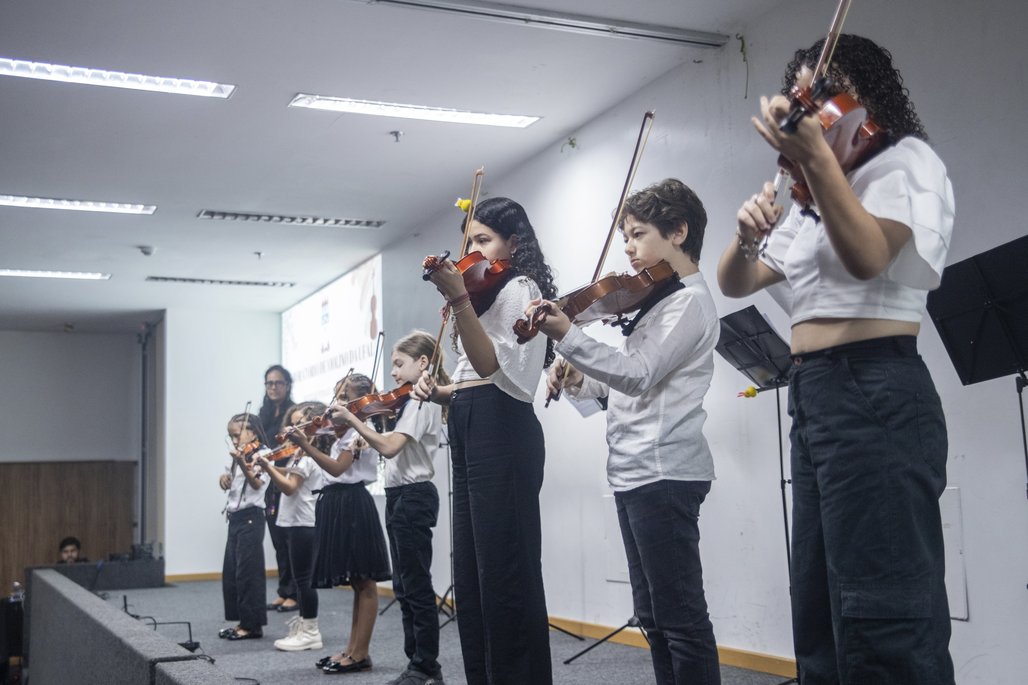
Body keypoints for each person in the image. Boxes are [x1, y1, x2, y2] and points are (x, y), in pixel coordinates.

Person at [716, 34, 955, 684]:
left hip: (875, 385)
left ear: (868, 91)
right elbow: (736, 282)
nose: (809, 104)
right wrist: (745, 237)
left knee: (886, 615)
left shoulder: (905, 162)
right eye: (801, 91)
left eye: (824, 88)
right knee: (820, 608)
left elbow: (870, 256)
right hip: (814, 392)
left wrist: (817, 163)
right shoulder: (809, 192)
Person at [527, 179, 721, 684]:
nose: (629, 250)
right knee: (655, 620)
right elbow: (625, 390)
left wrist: (568, 336)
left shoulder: (688, 303)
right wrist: (579, 377)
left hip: (665, 472)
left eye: (637, 235)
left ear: (678, 231)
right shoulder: (656, 302)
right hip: (635, 473)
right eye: (626, 238)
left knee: (680, 621)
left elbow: (637, 374)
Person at [415, 196, 557, 685]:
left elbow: (492, 368)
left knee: (505, 569)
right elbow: (468, 377)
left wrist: (458, 299)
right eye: (468, 242)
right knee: (473, 573)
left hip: (504, 426)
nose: (472, 252)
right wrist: (440, 391)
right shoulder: (483, 292)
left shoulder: (521, 286)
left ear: (513, 243)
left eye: (483, 240)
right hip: (471, 416)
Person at [331, 331, 449, 685]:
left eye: (399, 364)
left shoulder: (422, 402)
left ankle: (426, 666)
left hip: (414, 496)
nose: (394, 373)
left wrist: (354, 420)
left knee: (416, 586)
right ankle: (417, 664)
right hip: (400, 495)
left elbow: (391, 448)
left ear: (423, 363)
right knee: (404, 586)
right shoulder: (406, 403)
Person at [292, 373, 391, 675]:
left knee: (365, 580)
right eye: (337, 396)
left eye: (345, 397)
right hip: (338, 503)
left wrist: (306, 446)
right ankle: (352, 649)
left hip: (353, 503)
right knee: (357, 583)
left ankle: (360, 654)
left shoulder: (361, 430)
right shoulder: (343, 432)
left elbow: (338, 469)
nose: (338, 403)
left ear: (362, 401)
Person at [255, 401, 328, 652]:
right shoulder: (300, 454)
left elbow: (289, 487)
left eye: (299, 424)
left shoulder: (308, 457)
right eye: (293, 423)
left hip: (304, 522)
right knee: (300, 578)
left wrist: (267, 467)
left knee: (303, 581)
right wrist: (271, 465)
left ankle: (310, 631)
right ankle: (305, 626)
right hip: (296, 521)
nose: (293, 429)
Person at [217, 413, 271, 641]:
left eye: (237, 435)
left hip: (252, 517)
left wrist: (241, 462)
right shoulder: (239, 456)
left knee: (249, 573)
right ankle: (241, 621)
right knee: (232, 572)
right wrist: (224, 478)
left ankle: (252, 625)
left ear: (253, 432)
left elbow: (258, 483)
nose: (234, 440)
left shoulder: (265, 454)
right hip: (236, 518)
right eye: (230, 436)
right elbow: (234, 482)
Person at [259, 365, 299, 614]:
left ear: (287, 384)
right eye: (269, 383)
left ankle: (295, 593)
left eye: (278, 383)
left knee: (290, 539)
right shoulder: (262, 415)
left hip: (289, 479)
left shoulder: (293, 412)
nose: (273, 387)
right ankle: (284, 590)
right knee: (277, 540)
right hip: (268, 484)